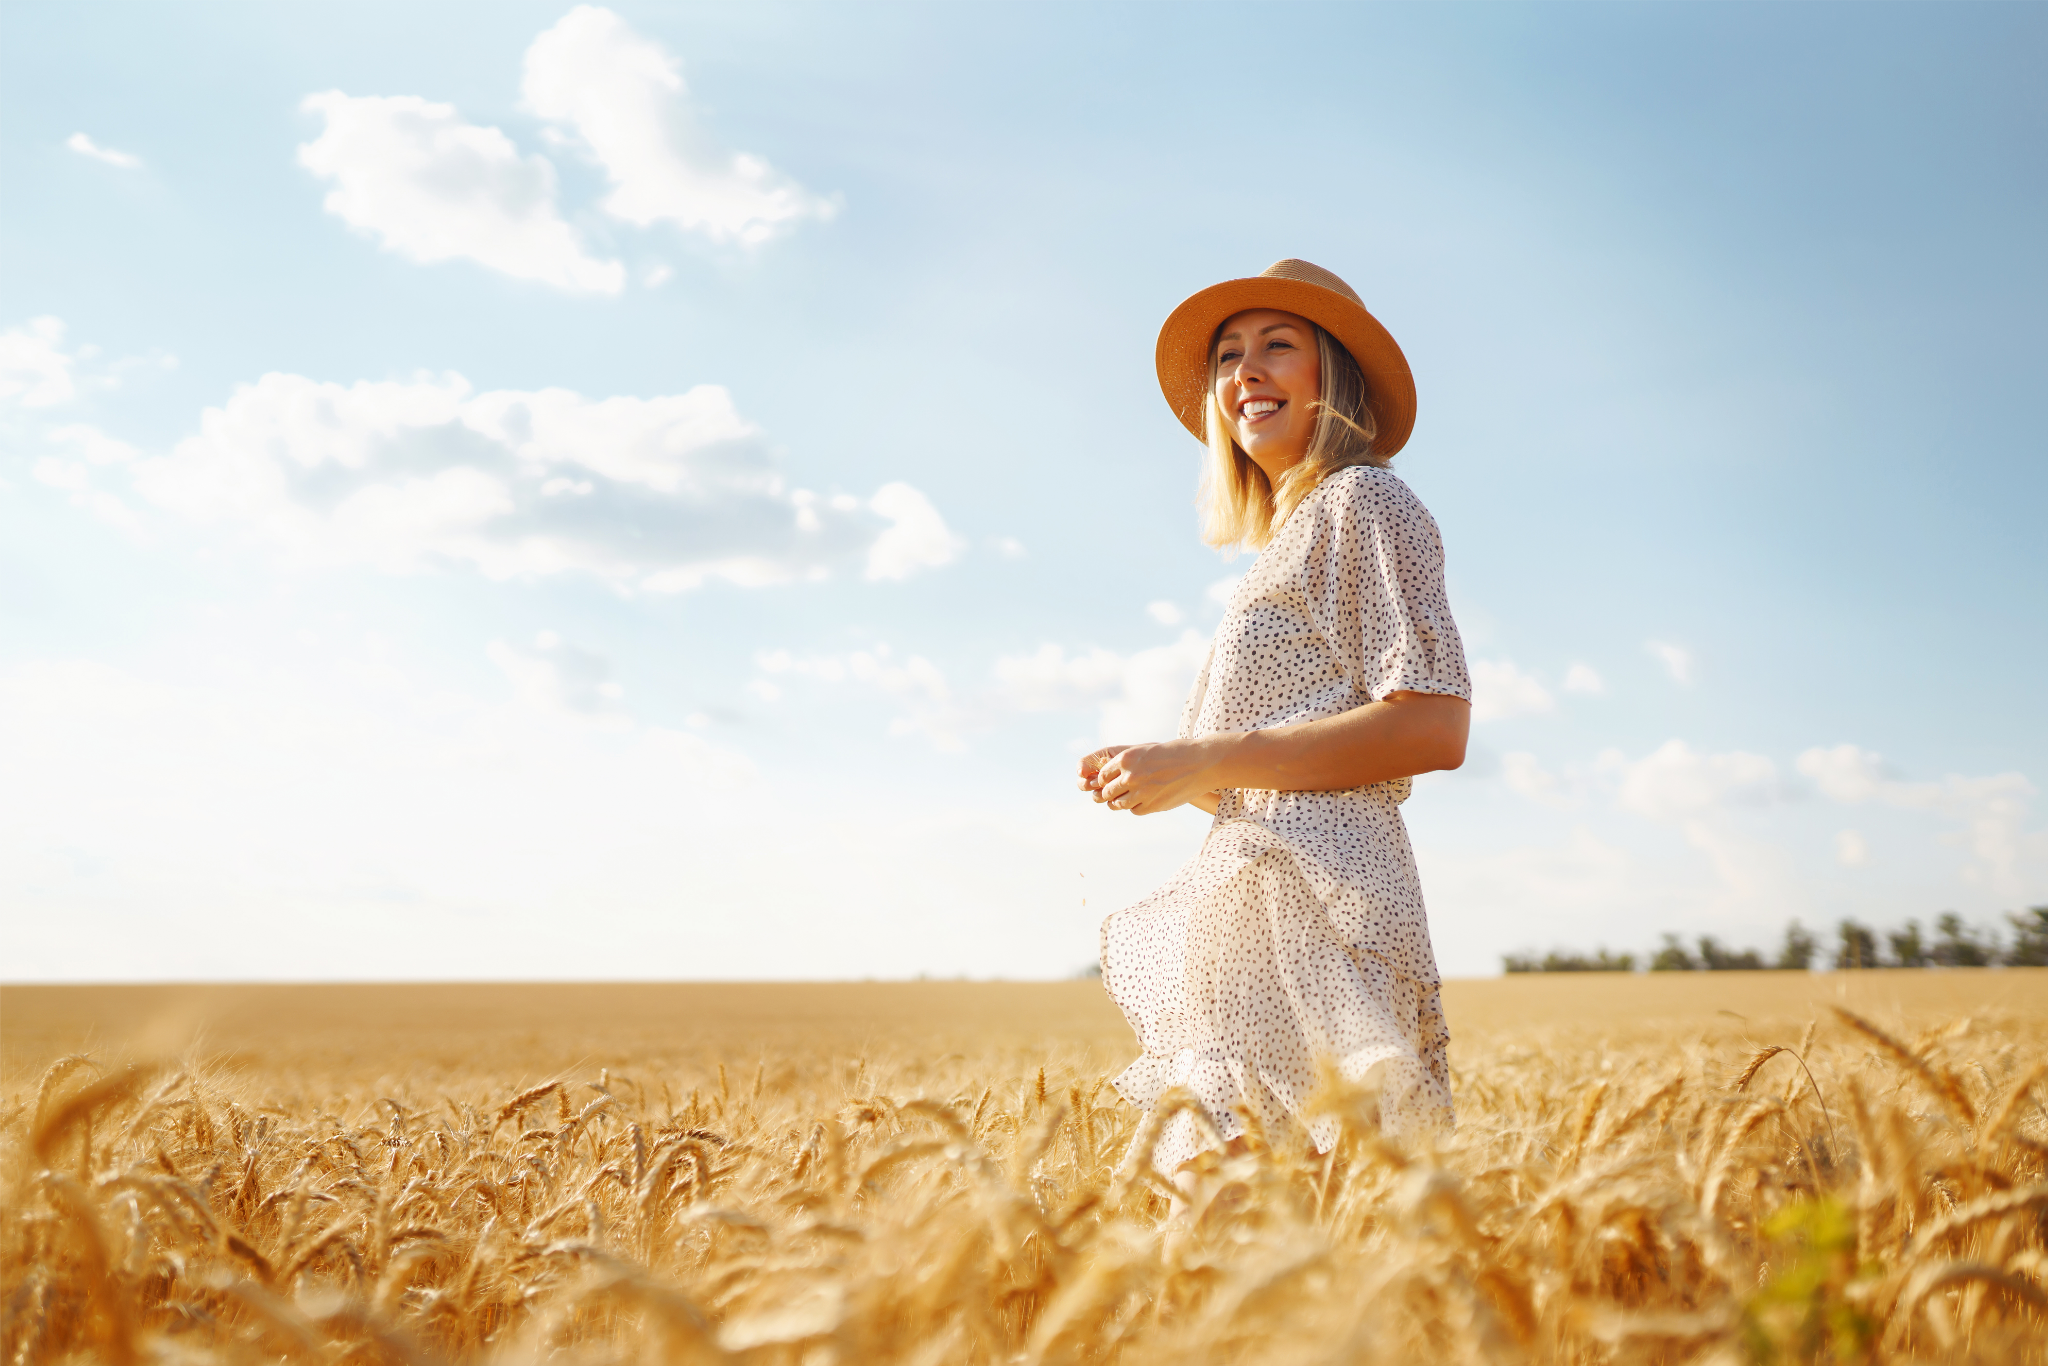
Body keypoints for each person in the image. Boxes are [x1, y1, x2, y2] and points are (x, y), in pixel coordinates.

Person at [1079, 259, 1472, 1175]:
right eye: (1228, 356)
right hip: (1251, 920)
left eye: (1277, 346)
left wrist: (1208, 759)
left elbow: (1434, 724)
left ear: (1335, 375)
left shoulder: (1363, 499)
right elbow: (1266, 769)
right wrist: (1170, 766)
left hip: (1325, 913)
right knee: (1252, 1214)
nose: (1245, 371)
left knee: (1302, 1199)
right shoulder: (1288, 540)